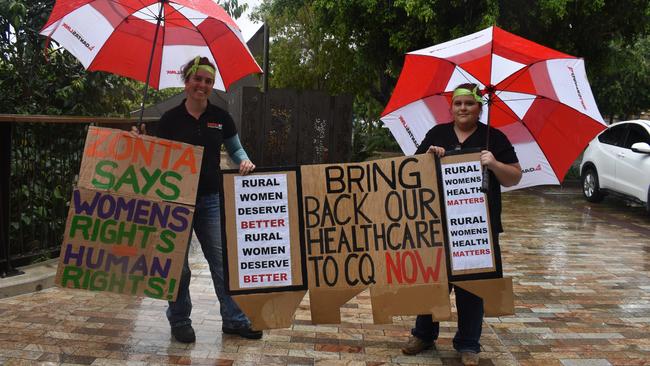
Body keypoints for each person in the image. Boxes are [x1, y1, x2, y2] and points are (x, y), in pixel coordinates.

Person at [133, 56, 261, 343]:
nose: (202, 85)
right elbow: (155, 159)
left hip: (211, 200)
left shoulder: (221, 117)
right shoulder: (169, 120)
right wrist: (137, 143)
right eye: (197, 79)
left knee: (222, 261)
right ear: (186, 81)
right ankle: (179, 320)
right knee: (178, 265)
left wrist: (245, 162)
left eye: (208, 81)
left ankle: (235, 319)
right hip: (176, 202)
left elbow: (237, 150)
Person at [401, 83, 522, 365]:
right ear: (451, 108)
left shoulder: (495, 138)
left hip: (478, 229)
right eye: (458, 104)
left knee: (473, 286)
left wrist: (493, 163)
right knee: (435, 281)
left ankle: (469, 343)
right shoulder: (437, 134)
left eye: (469, 104)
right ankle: (423, 334)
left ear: (480, 108)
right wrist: (428, 158)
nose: (463, 108)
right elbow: (414, 172)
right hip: (439, 223)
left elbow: (513, 177)